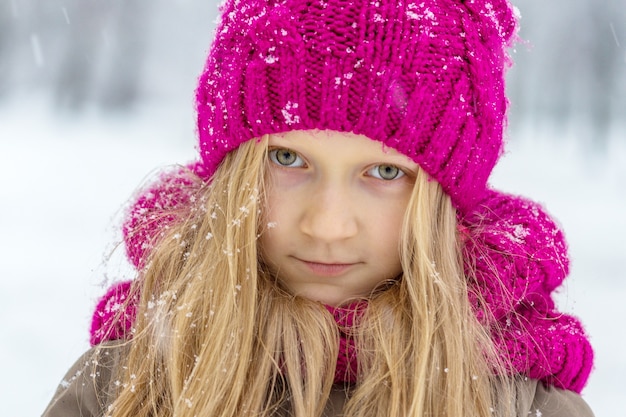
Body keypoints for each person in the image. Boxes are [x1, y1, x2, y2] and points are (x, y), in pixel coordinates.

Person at [42, 0, 595, 416]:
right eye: (288, 159)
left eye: (385, 172)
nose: (327, 225)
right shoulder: (130, 382)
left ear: (444, 199)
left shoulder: (520, 401)